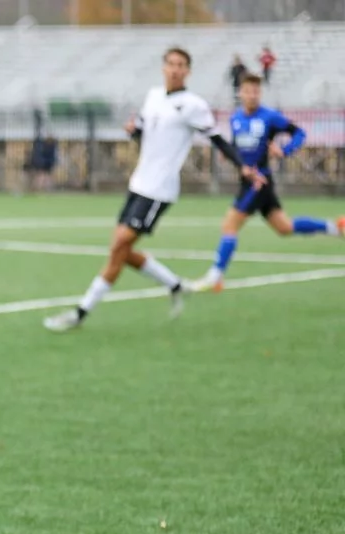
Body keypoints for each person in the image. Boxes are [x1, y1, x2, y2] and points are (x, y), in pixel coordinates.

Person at [44, 47, 261, 332]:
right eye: (171, 64)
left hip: (160, 190)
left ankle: (81, 312)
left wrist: (242, 167)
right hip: (138, 183)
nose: (175, 69)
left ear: (188, 71)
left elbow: (219, 140)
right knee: (120, 249)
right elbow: (143, 135)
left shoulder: (193, 104)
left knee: (119, 246)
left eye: (181, 65)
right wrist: (133, 130)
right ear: (163, 67)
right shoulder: (153, 97)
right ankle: (175, 285)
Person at [192, 74, 343, 293]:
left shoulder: (270, 117)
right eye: (248, 91)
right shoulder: (236, 119)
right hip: (248, 180)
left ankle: (215, 276)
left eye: (256, 91)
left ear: (259, 93)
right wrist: (233, 157)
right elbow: (236, 146)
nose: (252, 95)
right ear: (240, 93)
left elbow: (299, 133)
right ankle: (335, 228)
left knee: (229, 226)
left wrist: (284, 151)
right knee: (284, 227)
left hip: (259, 181)